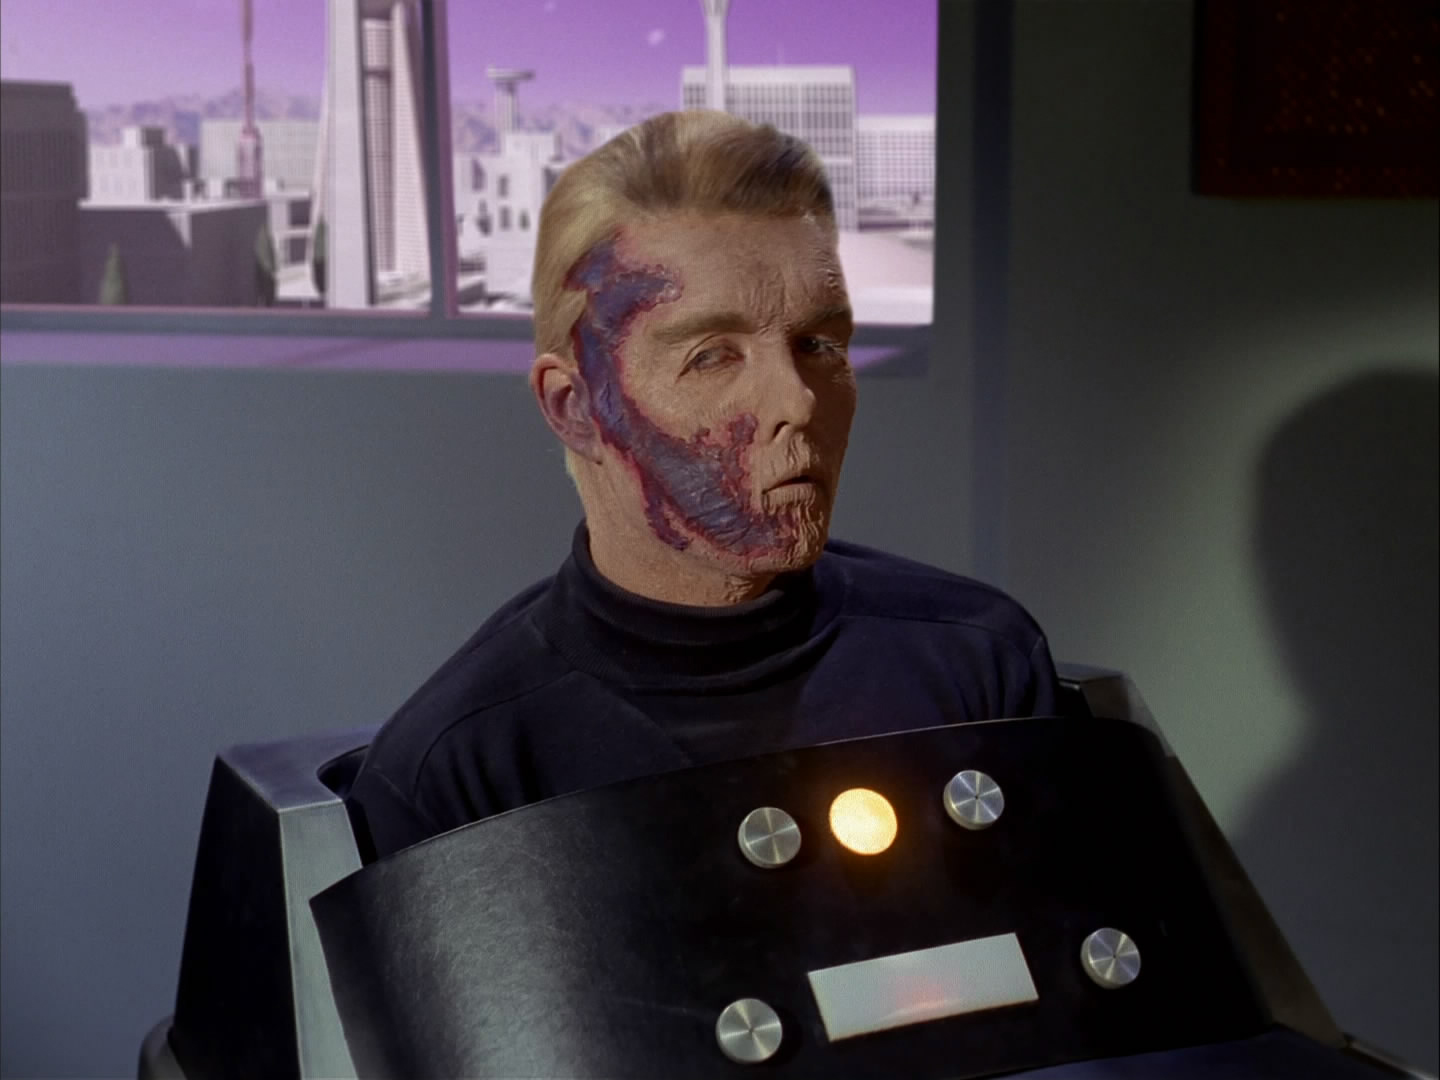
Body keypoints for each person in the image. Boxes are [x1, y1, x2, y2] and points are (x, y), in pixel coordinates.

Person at [346, 110, 1059, 861]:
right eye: (712, 355)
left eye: (819, 343)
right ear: (575, 406)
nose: (798, 401)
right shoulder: (458, 770)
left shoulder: (981, 662)